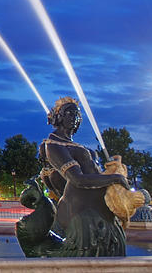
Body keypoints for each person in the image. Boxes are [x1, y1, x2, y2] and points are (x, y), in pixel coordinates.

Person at [18, 96, 128, 257]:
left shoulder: (82, 148)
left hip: (103, 217)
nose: (74, 117)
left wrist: (114, 171)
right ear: (58, 117)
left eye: (76, 114)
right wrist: (115, 179)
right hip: (83, 216)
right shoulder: (53, 145)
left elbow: (95, 177)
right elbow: (77, 179)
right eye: (68, 113)